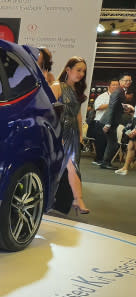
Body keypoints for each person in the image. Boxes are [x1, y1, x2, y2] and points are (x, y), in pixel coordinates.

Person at [50, 56, 89, 215]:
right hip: (59, 131)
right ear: (68, 69)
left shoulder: (76, 91)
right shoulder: (57, 86)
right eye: (78, 70)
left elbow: (78, 116)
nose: (81, 74)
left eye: (83, 71)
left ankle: (70, 201)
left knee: (73, 166)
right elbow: (50, 112)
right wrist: (56, 133)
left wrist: (80, 136)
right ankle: (77, 199)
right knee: (69, 165)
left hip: (73, 133)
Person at [99, 73, 134, 170]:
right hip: (109, 121)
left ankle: (105, 162)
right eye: (126, 80)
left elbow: (118, 106)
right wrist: (108, 123)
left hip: (113, 121)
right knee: (113, 144)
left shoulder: (121, 91)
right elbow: (112, 107)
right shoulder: (118, 91)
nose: (128, 82)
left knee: (113, 143)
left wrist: (125, 108)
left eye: (130, 81)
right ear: (120, 81)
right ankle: (105, 163)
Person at [90, 79, 120, 165]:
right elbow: (97, 107)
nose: (115, 87)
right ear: (109, 87)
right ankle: (98, 159)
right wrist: (111, 104)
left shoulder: (117, 97)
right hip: (100, 121)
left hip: (111, 123)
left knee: (109, 143)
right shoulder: (102, 96)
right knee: (101, 142)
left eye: (117, 85)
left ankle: (104, 160)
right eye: (113, 85)